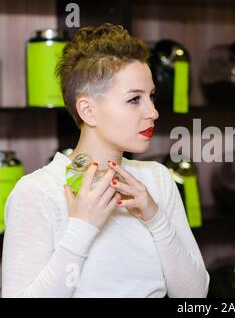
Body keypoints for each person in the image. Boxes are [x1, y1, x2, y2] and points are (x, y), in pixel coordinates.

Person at [1, 23, 209, 298]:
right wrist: (82, 227)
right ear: (88, 110)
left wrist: (155, 218)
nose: (153, 112)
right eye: (135, 99)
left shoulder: (157, 178)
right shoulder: (36, 192)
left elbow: (194, 296)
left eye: (151, 96)